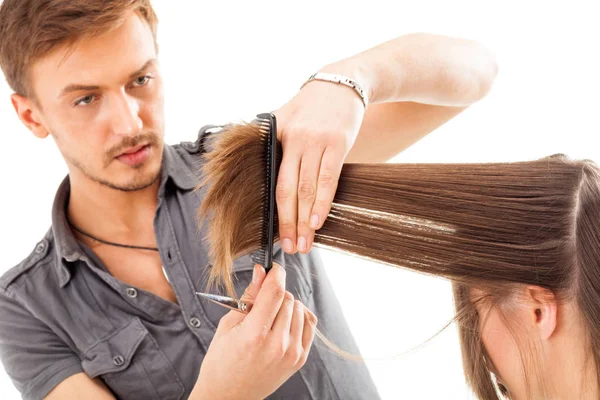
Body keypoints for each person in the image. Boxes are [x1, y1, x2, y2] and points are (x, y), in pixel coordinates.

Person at [0, 1, 498, 399]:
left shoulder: (244, 165)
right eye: (86, 99)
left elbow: (477, 73)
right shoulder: (26, 309)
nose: (131, 122)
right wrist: (225, 392)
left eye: (140, 80)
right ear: (30, 116)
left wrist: (349, 81)